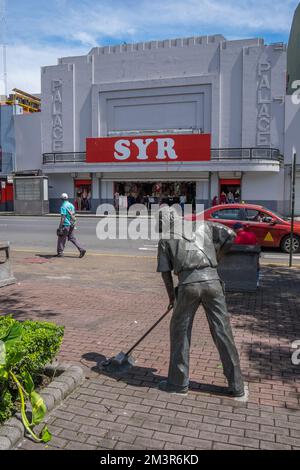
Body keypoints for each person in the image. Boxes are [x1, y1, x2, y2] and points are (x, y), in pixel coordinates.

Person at [156, 206, 245, 397]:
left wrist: (172, 298)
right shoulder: (202, 225)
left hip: (188, 285)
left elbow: (166, 274)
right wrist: (216, 257)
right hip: (213, 282)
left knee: (179, 332)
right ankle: (237, 386)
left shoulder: (165, 239)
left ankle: (178, 383)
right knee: (223, 331)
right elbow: (230, 234)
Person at [57, 193, 86, 258]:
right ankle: (81, 249)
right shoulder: (71, 205)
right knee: (72, 238)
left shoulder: (63, 206)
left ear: (61, 199)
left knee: (61, 238)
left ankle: (60, 252)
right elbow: (73, 214)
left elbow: (63, 217)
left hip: (66, 224)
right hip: (72, 224)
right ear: (67, 198)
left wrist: (60, 226)